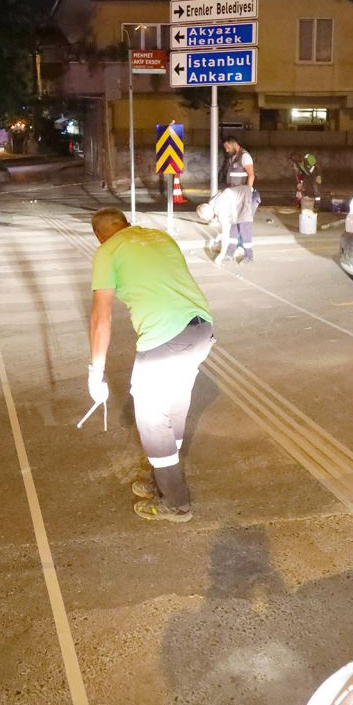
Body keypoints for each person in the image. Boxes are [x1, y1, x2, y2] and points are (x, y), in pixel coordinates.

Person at [87, 208, 216, 523]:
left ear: (99, 235)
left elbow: (100, 318)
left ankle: (176, 502)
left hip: (164, 338)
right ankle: (162, 479)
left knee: (151, 418)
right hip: (201, 328)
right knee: (174, 405)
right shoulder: (160, 236)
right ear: (126, 224)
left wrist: (96, 370)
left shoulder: (108, 250)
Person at [197, 183, 259, 264]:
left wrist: (221, 255)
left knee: (244, 226)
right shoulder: (211, 203)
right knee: (233, 228)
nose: (209, 220)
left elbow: (226, 233)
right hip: (239, 200)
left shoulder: (221, 209)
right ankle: (230, 253)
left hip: (250, 196)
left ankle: (249, 256)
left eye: (208, 218)